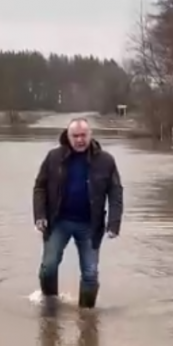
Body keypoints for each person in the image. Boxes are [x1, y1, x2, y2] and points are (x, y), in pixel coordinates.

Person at [32, 117, 123, 309]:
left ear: (90, 135)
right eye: (75, 136)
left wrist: (114, 223)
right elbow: (39, 187)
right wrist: (40, 216)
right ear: (68, 136)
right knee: (48, 268)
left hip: (90, 225)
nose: (80, 140)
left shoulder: (106, 161)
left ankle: (87, 316)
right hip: (58, 221)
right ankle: (50, 306)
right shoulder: (53, 157)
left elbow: (115, 193)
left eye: (83, 135)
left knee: (90, 274)